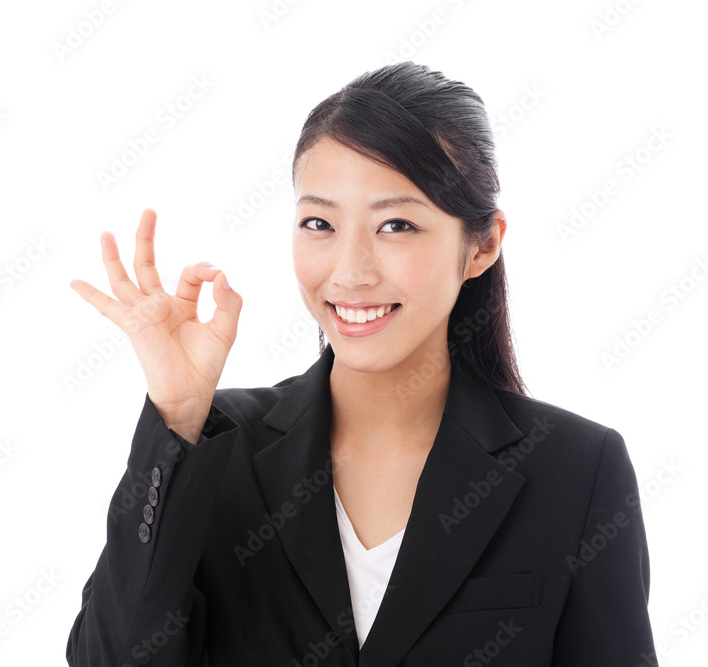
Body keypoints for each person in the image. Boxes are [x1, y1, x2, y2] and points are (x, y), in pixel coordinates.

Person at [66, 61, 656, 666]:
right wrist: (176, 414)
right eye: (319, 223)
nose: (350, 272)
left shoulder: (577, 471)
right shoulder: (214, 448)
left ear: (481, 245)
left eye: (396, 225)